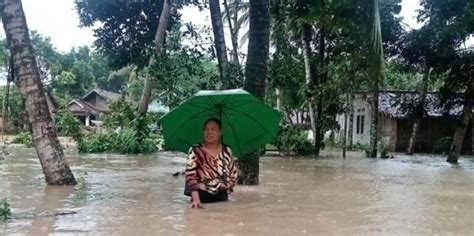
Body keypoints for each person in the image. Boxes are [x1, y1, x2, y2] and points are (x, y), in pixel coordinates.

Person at [184, 118, 239, 208]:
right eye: (206, 129)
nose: (209, 132)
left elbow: (233, 174)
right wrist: (196, 199)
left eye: (213, 129)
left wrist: (228, 185)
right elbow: (190, 176)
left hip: (222, 198)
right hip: (201, 198)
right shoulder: (196, 150)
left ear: (220, 132)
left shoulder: (226, 150)